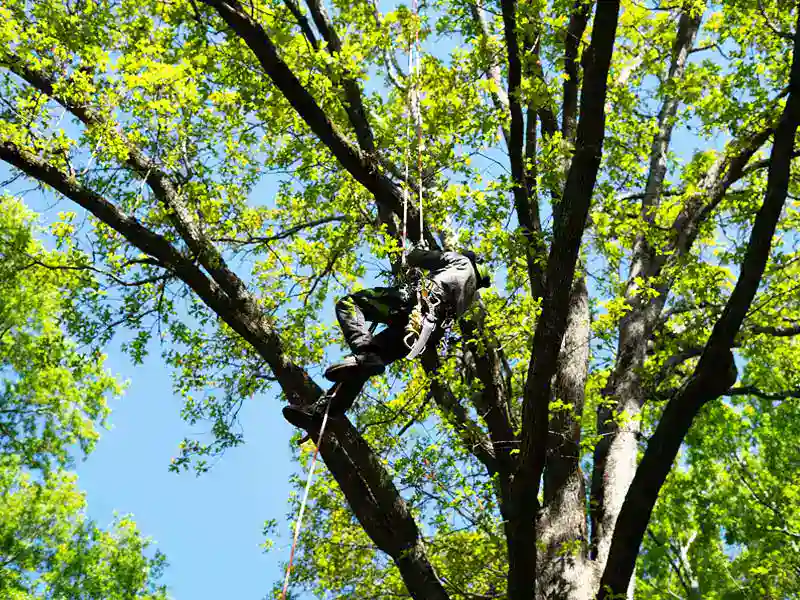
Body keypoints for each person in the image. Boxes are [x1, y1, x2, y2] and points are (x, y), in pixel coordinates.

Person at [282, 247, 491, 427]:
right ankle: (324, 413)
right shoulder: (469, 296)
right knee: (364, 366)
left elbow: (417, 257)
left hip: (418, 303)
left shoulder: (461, 261)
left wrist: (416, 252)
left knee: (349, 304)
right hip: (425, 333)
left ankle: (365, 353)